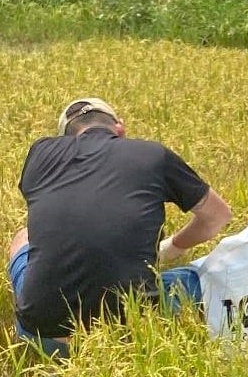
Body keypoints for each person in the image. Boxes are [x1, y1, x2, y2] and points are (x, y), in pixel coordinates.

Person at [9, 97, 232, 356]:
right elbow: (218, 215)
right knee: (201, 275)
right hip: (133, 329)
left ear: (65, 138)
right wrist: (170, 249)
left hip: (41, 334)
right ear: (120, 128)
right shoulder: (153, 154)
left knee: (22, 237)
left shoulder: (40, 153)